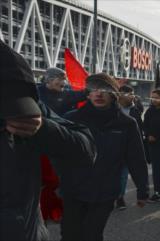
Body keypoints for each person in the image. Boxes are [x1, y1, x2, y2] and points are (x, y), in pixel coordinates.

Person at [0, 40, 96, 241]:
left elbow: (85, 147)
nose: (62, 85)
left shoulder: (30, 104)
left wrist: (43, 128)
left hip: (29, 228)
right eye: (58, 81)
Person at [61, 73, 149, 241]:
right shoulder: (72, 119)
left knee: (92, 235)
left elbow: (136, 158)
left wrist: (142, 189)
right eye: (93, 90)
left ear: (114, 94)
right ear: (87, 93)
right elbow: (57, 152)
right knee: (69, 234)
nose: (99, 94)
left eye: (104, 90)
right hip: (74, 189)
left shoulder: (127, 123)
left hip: (105, 191)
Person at [116, 85, 145, 210]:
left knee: (123, 175)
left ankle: (120, 198)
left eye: (133, 93)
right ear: (121, 94)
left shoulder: (135, 110)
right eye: (130, 94)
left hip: (126, 149)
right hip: (111, 148)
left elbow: (139, 128)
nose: (133, 96)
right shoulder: (111, 108)